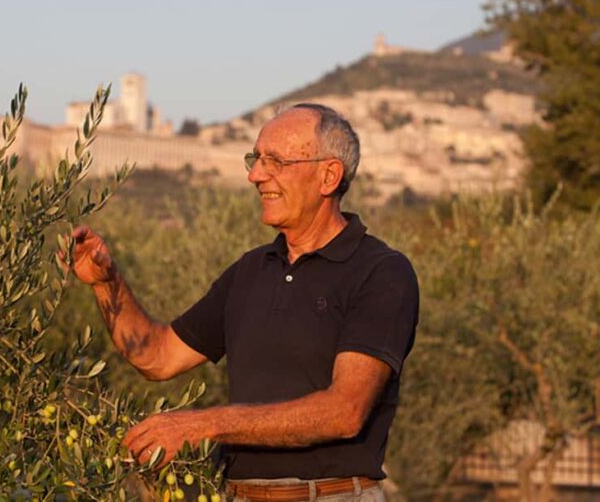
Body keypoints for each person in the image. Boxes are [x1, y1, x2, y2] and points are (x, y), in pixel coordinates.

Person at [57, 103, 419, 502]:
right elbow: (158, 357)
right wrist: (107, 283)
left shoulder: (381, 272)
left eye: (275, 162)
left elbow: (344, 411)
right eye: (256, 159)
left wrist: (201, 426)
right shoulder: (250, 271)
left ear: (328, 175)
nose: (255, 175)